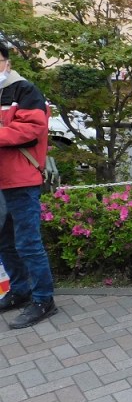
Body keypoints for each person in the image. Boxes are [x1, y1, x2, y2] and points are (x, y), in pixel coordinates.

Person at [0, 45, 58, 329]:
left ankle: (44, 299)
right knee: (5, 242)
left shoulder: (24, 90)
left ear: (7, 62)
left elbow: (30, 131)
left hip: (21, 179)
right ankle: (20, 291)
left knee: (28, 242)